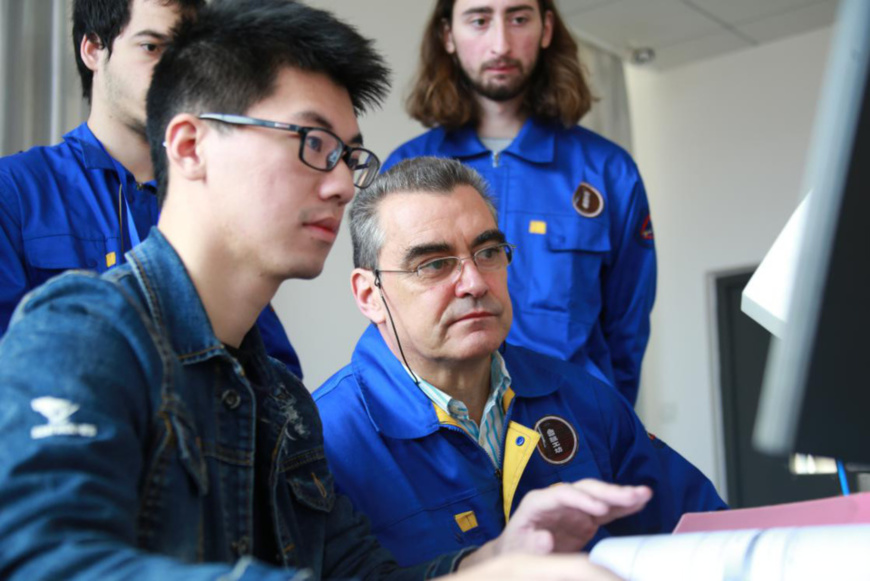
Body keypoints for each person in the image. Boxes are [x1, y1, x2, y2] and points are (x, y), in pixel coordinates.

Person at [0, 2, 652, 580]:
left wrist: (498, 558)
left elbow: (356, 572)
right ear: (191, 145)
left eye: (351, 155)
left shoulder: (284, 401)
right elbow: (46, 559)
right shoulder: (85, 333)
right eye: (312, 142)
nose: (344, 184)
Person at [314, 157, 725, 567]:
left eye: (488, 252)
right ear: (370, 295)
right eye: (434, 265)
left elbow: (706, 535)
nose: (474, 282)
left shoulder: (582, 397)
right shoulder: (325, 441)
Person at [0, 0, 303, 377]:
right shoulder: (13, 190)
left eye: (185, 54)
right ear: (94, 49)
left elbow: (275, 376)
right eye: (152, 47)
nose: (173, 73)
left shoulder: (217, 202)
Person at [383, 0, 655, 405]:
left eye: (519, 18)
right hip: (445, 428)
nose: (501, 44)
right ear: (448, 36)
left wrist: (612, 424)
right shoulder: (406, 168)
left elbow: (627, 330)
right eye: (479, 20)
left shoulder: (608, 171)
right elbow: (391, 315)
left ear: (545, 29)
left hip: (574, 424)